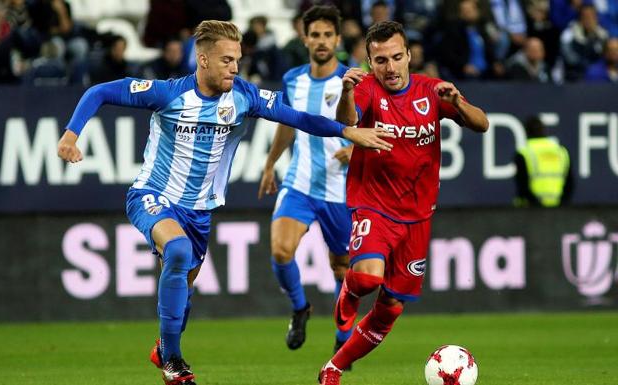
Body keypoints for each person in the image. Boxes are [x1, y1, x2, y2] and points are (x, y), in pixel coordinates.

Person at [56, 20, 393, 385]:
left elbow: (296, 117)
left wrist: (346, 130)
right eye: (227, 60)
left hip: (200, 211)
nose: (235, 67)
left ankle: (163, 347)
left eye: (238, 60)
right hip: (152, 194)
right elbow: (100, 92)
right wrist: (71, 135)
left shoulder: (244, 96)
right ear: (202, 60)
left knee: (183, 291)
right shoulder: (168, 93)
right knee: (179, 251)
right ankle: (173, 361)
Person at [317, 21, 489, 384]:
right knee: (367, 278)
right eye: (380, 60)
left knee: (390, 307)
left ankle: (333, 368)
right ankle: (349, 290)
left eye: (397, 57)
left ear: (410, 56)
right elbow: (346, 121)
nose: (390, 68)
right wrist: (347, 92)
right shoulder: (366, 88)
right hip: (374, 204)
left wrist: (457, 101)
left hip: (418, 216)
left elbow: (482, 124)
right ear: (369, 62)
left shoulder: (431, 91)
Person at [258, 5, 354, 354]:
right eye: (315, 34)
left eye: (328, 34)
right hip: (299, 182)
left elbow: (373, 129)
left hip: (339, 189)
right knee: (281, 250)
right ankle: (300, 308)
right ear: (305, 38)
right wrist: (271, 164)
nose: (322, 41)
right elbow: (287, 122)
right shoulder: (293, 79)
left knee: (342, 268)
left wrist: (357, 151)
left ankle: (343, 342)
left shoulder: (352, 79)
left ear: (338, 39)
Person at [514, 116, 572, 207]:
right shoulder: (561, 151)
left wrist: (537, 205)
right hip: (558, 209)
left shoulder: (524, 153)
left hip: (529, 211)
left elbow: (522, 186)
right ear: (545, 131)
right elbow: (570, 184)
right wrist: (562, 205)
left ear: (526, 132)